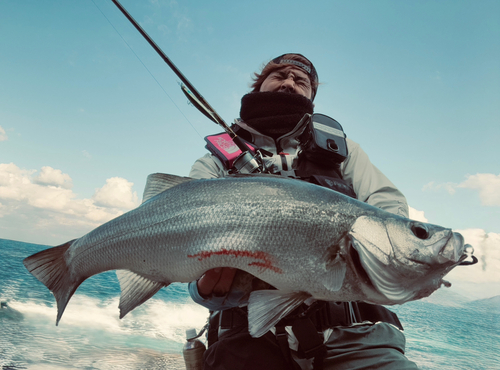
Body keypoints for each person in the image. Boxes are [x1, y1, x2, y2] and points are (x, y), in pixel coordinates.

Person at [188, 53, 419, 370]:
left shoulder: (344, 151)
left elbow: (390, 211)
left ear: (311, 96)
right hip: (247, 336)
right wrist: (204, 288)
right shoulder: (215, 160)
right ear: (259, 86)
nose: (288, 83)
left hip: (357, 334)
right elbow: (185, 232)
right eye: (278, 75)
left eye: (301, 81)